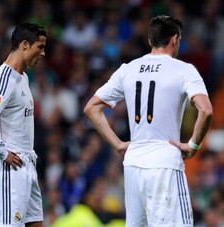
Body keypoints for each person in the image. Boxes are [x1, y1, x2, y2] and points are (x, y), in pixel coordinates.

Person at [84, 15, 213, 226]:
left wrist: (117, 144)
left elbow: (91, 107)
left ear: (150, 40)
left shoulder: (128, 69)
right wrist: (193, 145)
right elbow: (206, 110)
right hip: (164, 164)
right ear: (175, 39)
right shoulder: (184, 70)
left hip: (134, 164)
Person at [0, 23, 46, 227]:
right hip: (9, 168)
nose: (43, 53)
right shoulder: (3, 78)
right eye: (40, 47)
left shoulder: (21, 77)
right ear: (24, 45)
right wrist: (1, 152)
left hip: (26, 163)